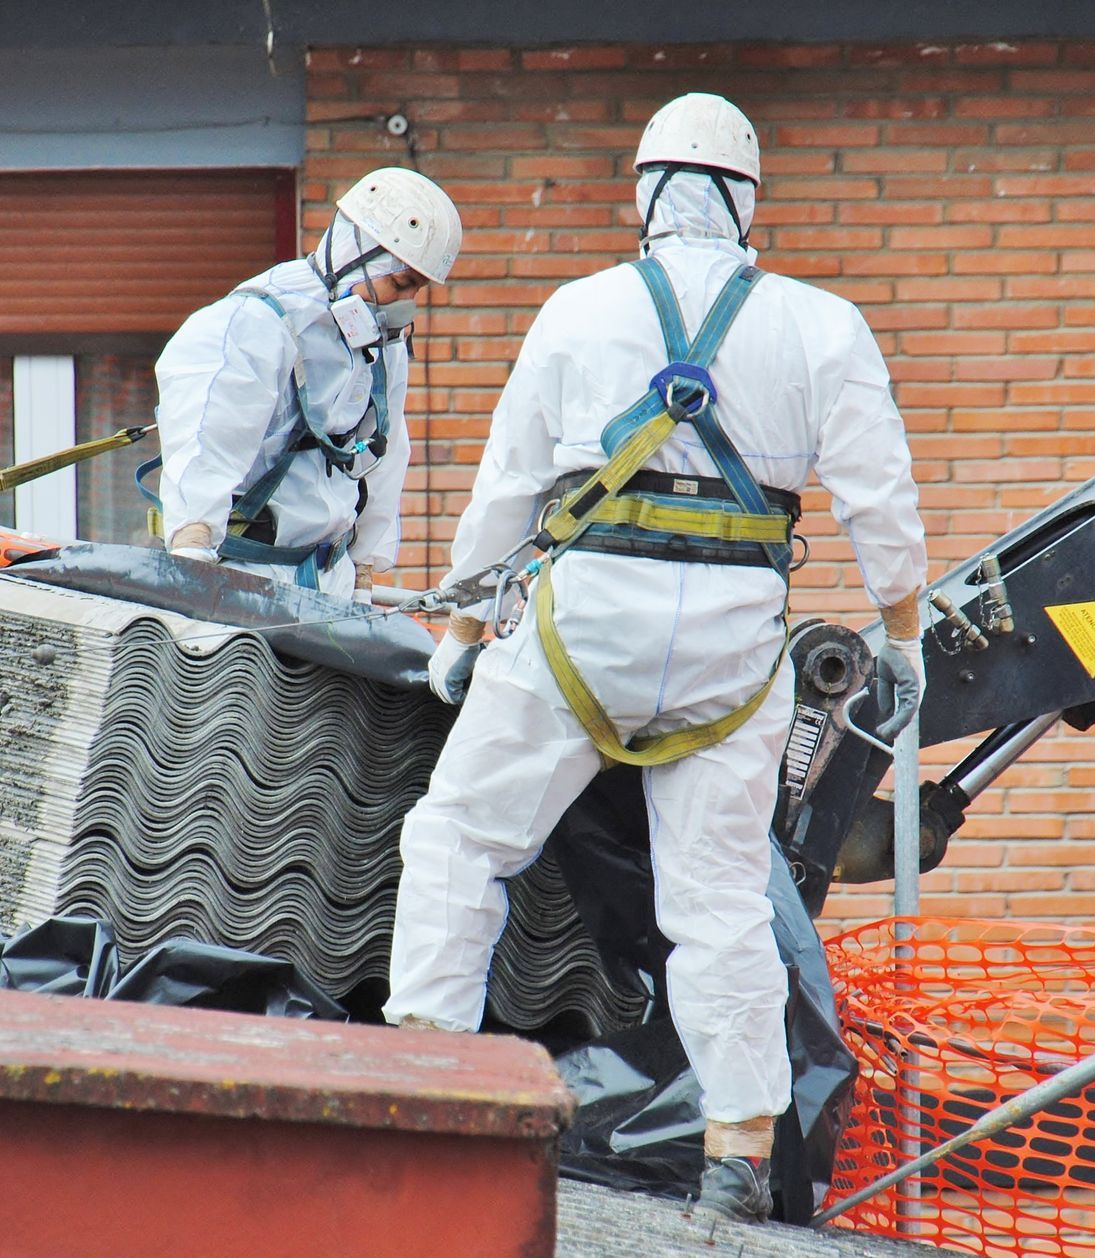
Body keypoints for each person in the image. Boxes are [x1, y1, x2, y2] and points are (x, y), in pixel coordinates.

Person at [382, 92, 928, 1222]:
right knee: (719, 900)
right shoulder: (822, 325)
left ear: (643, 194)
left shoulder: (580, 310)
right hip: (732, 644)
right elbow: (880, 495)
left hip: (584, 630)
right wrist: (904, 627)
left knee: (463, 836)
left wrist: (464, 627)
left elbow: (508, 482)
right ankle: (737, 1152)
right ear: (748, 201)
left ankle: (425, 1087)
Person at [146, 168, 462, 602]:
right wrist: (192, 572)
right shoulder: (251, 324)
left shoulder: (377, 343)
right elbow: (205, 453)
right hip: (245, 581)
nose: (405, 304)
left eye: (417, 290)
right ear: (355, 252)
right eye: (400, 283)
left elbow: (386, 457)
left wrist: (363, 572)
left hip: (329, 580)